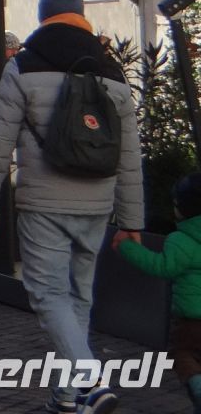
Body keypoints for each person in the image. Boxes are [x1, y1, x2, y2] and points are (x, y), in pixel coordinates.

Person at [0, 0, 141, 414]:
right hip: (97, 203)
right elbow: (129, 155)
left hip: (44, 202)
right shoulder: (111, 69)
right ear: (81, 16)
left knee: (47, 295)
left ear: (44, 16)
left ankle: (89, 381)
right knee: (79, 296)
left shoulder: (23, 65)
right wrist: (133, 220)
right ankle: (67, 398)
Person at [115, 171, 201, 412]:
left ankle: (198, 387)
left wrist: (127, 248)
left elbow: (161, 266)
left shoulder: (180, 239)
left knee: (183, 355)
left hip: (189, 321)